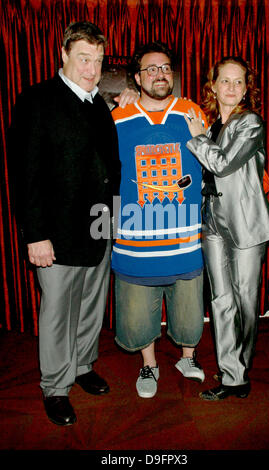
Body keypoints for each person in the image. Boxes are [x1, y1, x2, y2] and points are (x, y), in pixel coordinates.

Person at [9, 21, 136, 426]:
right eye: (84, 59)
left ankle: (82, 366)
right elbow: (24, 172)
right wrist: (36, 235)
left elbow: (108, 167)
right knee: (58, 312)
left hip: (99, 228)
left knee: (90, 308)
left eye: (98, 61)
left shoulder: (98, 104)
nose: (91, 69)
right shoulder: (37, 100)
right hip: (56, 233)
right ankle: (55, 386)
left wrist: (113, 218)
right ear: (63, 56)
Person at [111, 42, 207, 399]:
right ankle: (148, 363)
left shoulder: (192, 112)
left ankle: (187, 357)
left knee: (188, 308)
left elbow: (214, 162)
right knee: (138, 313)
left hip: (183, 235)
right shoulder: (118, 117)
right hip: (136, 236)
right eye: (151, 69)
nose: (160, 74)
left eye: (165, 67)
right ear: (137, 78)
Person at [185, 56, 269, 401]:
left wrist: (196, 139)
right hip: (213, 222)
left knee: (246, 302)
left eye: (239, 82)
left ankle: (242, 363)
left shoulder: (250, 122)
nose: (232, 88)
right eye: (226, 80)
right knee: (221, 300)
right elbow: (208, 175)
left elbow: (221, 165)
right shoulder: (209, 127)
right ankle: (232, 374)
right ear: (213, 85)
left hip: (247, 224)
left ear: (246, 88)